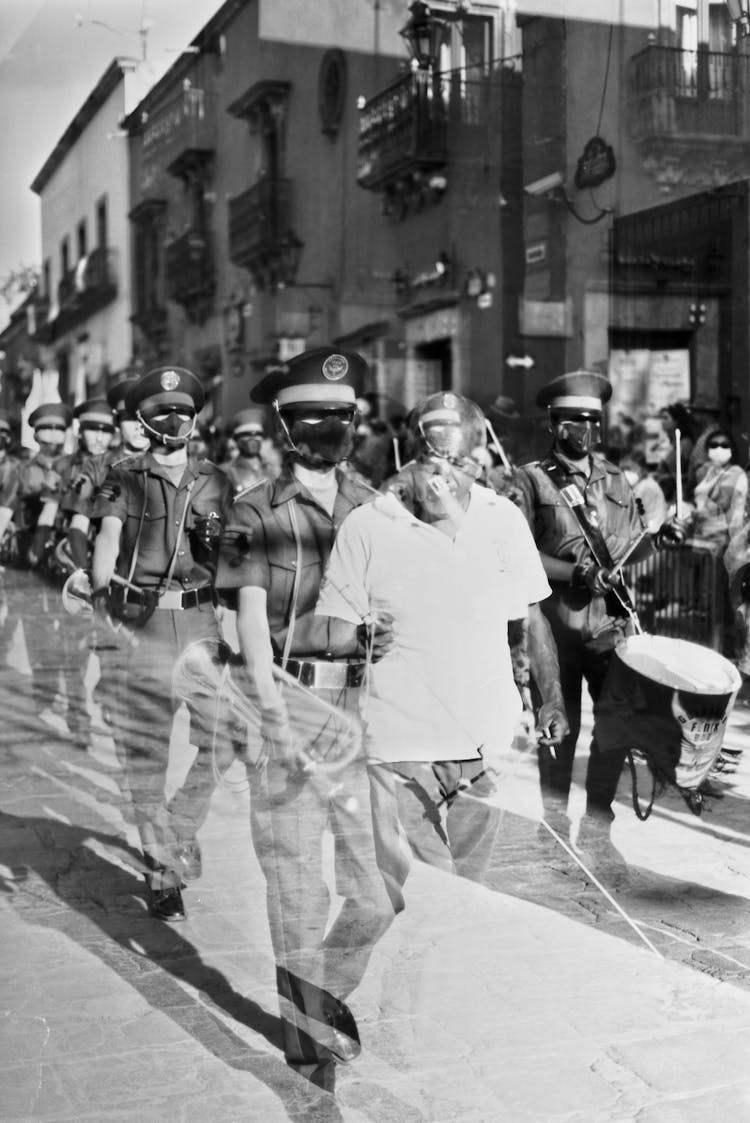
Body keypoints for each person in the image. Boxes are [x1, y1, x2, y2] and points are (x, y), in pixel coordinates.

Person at [215, 346, 393, 1093]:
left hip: (360, 710)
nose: (331, 429)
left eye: (342, 417)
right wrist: (268, 714)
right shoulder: (255, 509)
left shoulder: (376, 504)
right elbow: (244, 623)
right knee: (297, 884)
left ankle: (320, 988)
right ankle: (304, 1030)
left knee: (378, 888)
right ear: (287, 426)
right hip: (289, 702)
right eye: (315, 417)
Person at [315, 390, 568, 908]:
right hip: (398, 743)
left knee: (468, 890)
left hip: (484, 741)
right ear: (409, 458)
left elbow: (533, 615)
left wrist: (552, 698)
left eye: (457, 462)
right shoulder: (367, 524)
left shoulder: (503, 519)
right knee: (423, 891)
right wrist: (358, 643)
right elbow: (332, 631)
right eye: (430, 459)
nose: (441, 475)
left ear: (479, 461)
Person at [515, 371, 685, 875]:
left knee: (615, 728)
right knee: (558, 728)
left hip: (610, 623)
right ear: (554, 423)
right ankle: (551, 830)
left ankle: (596, 830)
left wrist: (662, 538)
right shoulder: (531, 479)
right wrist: (577, 571)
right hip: (555, 622)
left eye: (593, 421)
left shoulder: (615, 477)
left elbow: (630, 549)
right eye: (575, 421)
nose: (585, 430)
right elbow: (520, 555)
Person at [91, 366, 233, 922]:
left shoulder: (218, 481)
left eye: (183, 412)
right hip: (143, 624)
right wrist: (104, 610)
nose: (173, 421)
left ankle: (182, 824)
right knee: (146, 755)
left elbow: (232, 555)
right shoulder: (122, 477)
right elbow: (106, 542)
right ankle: (161, 871)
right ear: (143, 422)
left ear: (197, 420)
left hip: (200, 625)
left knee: (228, 734)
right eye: (160, 412)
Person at [221, 408, 267, 494]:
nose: (253, 439)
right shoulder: (226, 472)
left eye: (258, 434)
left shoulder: (273, 468)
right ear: (237, 440)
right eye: (247, 435)